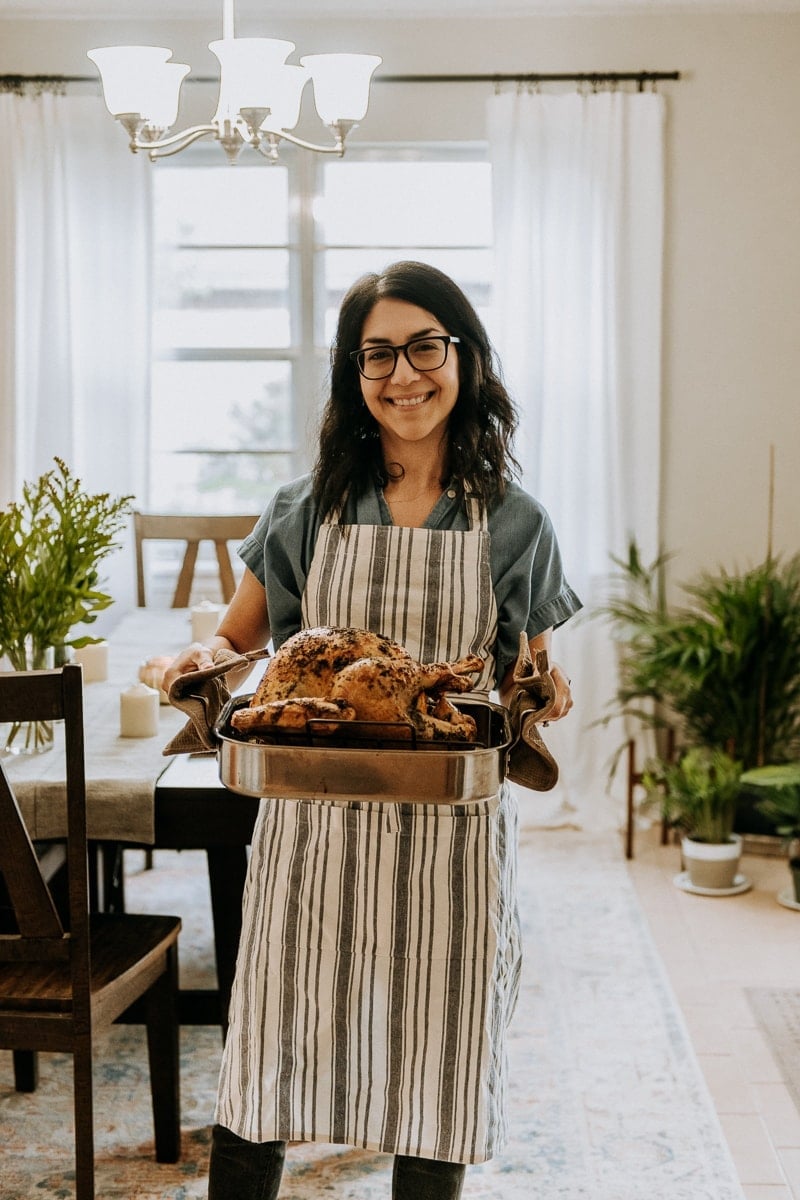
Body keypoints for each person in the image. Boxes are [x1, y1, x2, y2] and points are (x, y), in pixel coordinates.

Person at [164, 260, 581, 1199]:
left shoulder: (517, 525)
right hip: (310, 834)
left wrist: (545, 694)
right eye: (377, 355)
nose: (404, 375)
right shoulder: (305, 510)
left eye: (425, 347)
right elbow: (237, 641)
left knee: (437, 1061)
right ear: (353, 376)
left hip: (451, 841)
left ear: (463, 358)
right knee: (268, 1052)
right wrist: (195, 662)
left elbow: (530, 678)